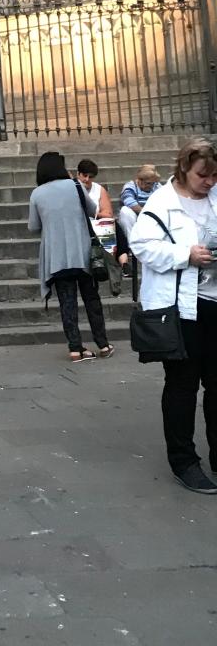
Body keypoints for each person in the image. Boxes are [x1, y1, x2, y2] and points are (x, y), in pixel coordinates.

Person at [129, 138, 217, 494]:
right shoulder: (161, 203)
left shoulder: (215, 196)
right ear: (185, 168)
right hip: (182, 309)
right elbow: (142, 246)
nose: (209, 182)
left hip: (214, 301)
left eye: (214, 175)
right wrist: (186, 255)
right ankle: (184, 461)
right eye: (203, 175)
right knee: (183, 386)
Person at [28, 151, 113, 362]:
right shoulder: (75, 186)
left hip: (57, 257)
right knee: (92, 299)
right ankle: (103, 344)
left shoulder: (37, 194)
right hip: (82, 254)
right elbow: (93, 210)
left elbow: (33, 226)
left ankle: (75, 349)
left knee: (67, 303)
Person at [119, 164, 162, 239]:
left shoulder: (157, 186)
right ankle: (132, 243)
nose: (151, 186)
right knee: (125, 211)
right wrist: (145, 213)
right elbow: (129, 201)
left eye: (153, 183)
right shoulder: (130, 186)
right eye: (148, 183)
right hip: (137, 215)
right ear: (140, 180)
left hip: (153, 216)